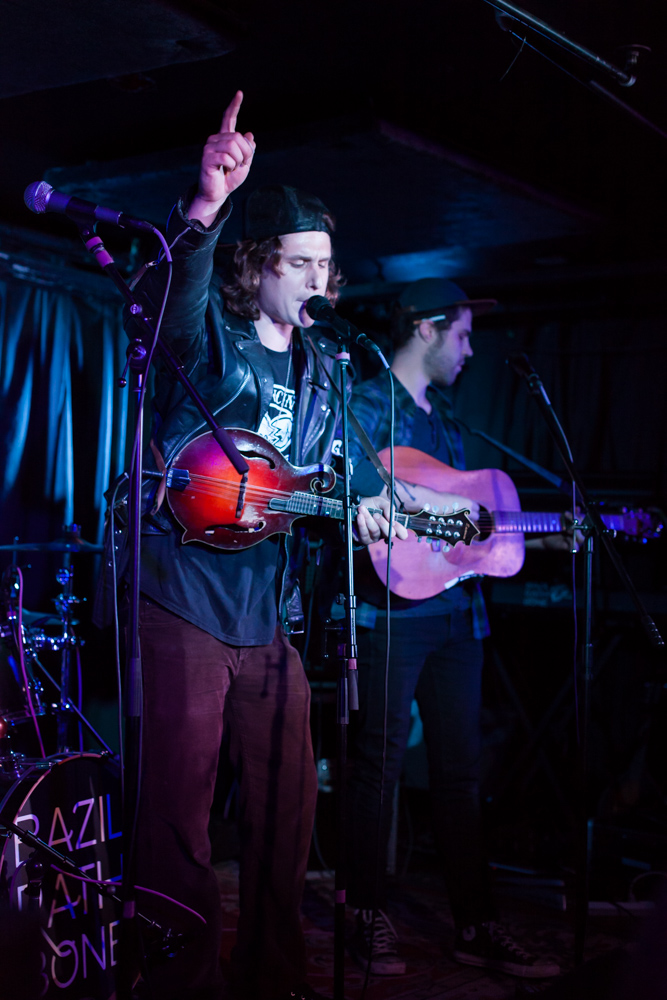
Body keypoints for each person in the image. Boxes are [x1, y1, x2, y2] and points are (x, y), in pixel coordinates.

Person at [105, 91, 405, 1000]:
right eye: (300, 263)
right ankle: (178, 982)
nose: (320, 282)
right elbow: (169, 298)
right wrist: (205, 206)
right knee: (176, 823)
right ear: (258, 265)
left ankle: (271, 976)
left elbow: (341, 475)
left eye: (327, 266)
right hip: (181, 599)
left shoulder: (324, 370)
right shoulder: (210, 341)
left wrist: (371, 503)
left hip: (262, 616)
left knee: (286, 810)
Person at [343, 277, 565, 979]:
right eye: (463, 335)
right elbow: (357, 493)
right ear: (428, 328)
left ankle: (476, 921)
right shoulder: (363, 407)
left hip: (454, 617)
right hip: (388, 611)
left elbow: (470, 534)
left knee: (460, 774)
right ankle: (364, 914)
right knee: (376, 766)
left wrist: (546, 536)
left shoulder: (451, 422)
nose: (470, 351)